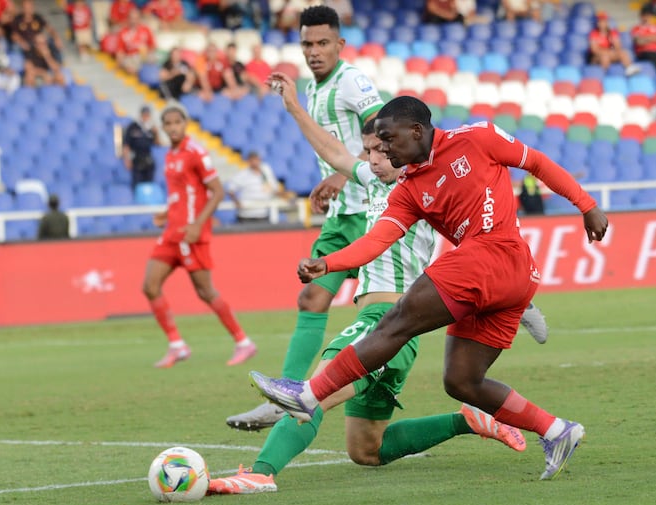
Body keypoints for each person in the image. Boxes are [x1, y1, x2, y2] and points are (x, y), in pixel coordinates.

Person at [249, 95, 609, 481]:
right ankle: (556, 430)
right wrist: (329, 263)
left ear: (417, 131)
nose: (384, 148)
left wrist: (586, 204)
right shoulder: (407, 189)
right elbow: (377, 240)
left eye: (389, 139)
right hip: (510, 277)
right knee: (462, 381)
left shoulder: (478, 138)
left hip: (494, 254)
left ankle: (308, 395)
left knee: (396, 321)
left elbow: (536, 162)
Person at [207, 74, 526, 494]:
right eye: (370, 150)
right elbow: (334, 153)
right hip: (392, 335)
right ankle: (467, 419)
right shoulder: (376, 184)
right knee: (366, 449)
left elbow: (479, 251)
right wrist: (294, 108)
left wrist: (513, 299)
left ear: (404, 148)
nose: (374, 158)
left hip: (385, 322)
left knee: (312, 395)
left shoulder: (425, 195)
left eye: (382, 149)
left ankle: (261, 473)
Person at [225, 4, 385, 431]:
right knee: (312, 297)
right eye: (307, 44)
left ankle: (501, 296)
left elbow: (384, 132)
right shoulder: (313, 89)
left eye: (322, 43)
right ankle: (285, 396)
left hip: (372, 212)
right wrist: (329, 183)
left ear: (340, 44)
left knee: (405, 303)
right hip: (342, 215)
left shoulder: (352, 81)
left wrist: (340, 174)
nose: (314, 51)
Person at [143, 102, 257, 368]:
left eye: (177, 122)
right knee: (150, 286)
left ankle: (243, 342)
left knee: (205, 292)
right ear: (163, 127)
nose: (173, 127)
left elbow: (217, 191)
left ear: (185, 124)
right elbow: (182, 193)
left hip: (191, 235)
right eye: (168, 123)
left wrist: (197, 224)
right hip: (172, 232)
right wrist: (167, 213)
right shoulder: (170, 155)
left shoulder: (196, 152)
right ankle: (177, 345)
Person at [224, 150, 293, 222]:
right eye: (252, 160)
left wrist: (285, 195)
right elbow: (230, 189)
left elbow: (273, 190)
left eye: (256, 159)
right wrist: (236, 202)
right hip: (246, 215)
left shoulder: (266, 171)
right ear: (248, 161)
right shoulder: (243, 174)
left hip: (263, 213)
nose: (254, 162)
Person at [587, 11, 639, 75]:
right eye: (600, 21)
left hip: (610, 54)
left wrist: (614, 49)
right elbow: (594, 50)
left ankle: (630, 69)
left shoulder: (612, 32)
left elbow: (618, 46)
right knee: (605, 57)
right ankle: (603, 75)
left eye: (604, 21)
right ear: (597, 23)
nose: (602, 23)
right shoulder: (593, 33)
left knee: (623, 53)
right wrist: (608, 52)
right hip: (597, 56)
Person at [123, 105, 160, 191]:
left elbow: (157, 144)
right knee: (137, 186)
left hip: (148, 160)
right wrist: (127, 159)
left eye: (147, 115)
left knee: (149, 186)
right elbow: (126, 145)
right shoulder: (133, 127)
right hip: (136, 159)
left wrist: (156, 133)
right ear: (141, 115)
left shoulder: (151, 128)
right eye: (144, 114)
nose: (146, 117)